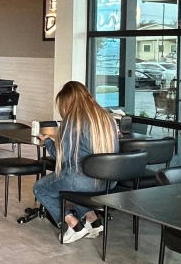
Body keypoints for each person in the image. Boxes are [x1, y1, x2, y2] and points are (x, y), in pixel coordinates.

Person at [33, 81, 118, 244]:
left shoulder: (73, 121)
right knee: (75, 186)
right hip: (107, 182)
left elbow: (61, 157)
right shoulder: (106, 118)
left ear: (68, 102)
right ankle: (93, 221)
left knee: (41, 188)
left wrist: (48, 142)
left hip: (83, 181)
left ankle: (74, 225)